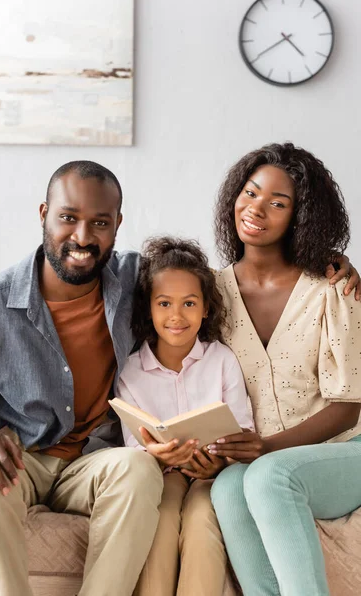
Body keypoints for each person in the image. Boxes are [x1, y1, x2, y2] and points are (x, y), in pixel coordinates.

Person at [0, 161, 164, 596]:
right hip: (21, 457)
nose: (83, 237)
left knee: (140, 469)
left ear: (117, 225)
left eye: (100, 223)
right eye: (68, 218)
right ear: (43, 214)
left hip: (96, 458)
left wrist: (325, 267)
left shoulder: (136, 279)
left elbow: (212, 284)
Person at [208, 143, 361, 596]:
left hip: (345, 451)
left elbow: (348, 409)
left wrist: (265, 449)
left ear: (301, 217)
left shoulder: (334, 288)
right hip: (259, 458)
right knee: (228, 490)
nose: (257, 209)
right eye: (251, 193)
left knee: (269, 476)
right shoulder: (210, 294)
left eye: (279, 203)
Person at [115, 236, 254, 596]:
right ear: (149, 308)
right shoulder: (130, 371)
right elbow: (135, 444)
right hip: (163, 475)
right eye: (165, 303)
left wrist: (218, 463)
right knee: (159, 522)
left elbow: (243, 429)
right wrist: (159, 457)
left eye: (189, 303)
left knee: (201, 522)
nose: (177, 316)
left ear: (206, 308)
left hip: (214, 473)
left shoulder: (221, 359)